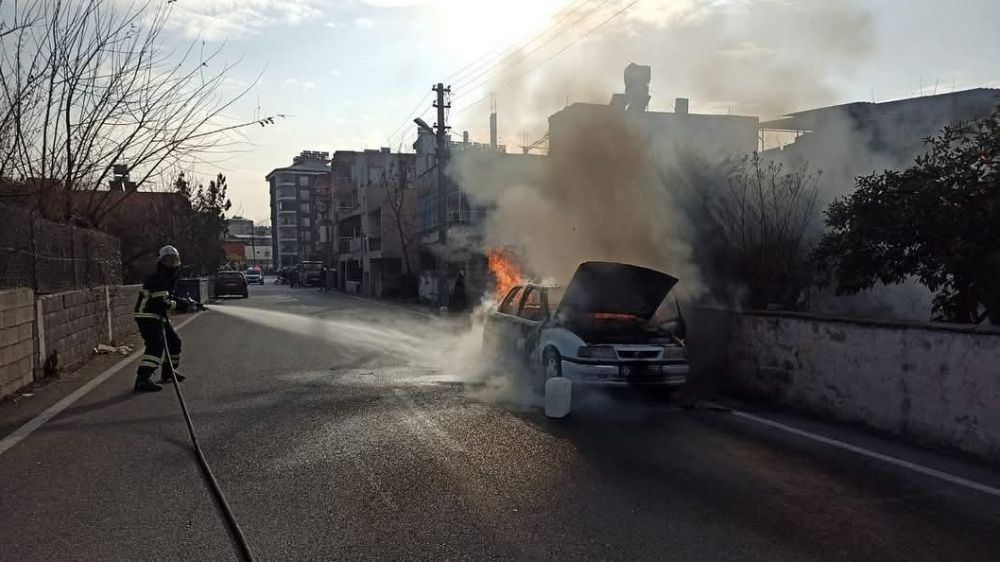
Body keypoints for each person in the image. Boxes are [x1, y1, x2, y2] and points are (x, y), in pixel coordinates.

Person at [132, 245, 204, 392]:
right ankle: (142, 379)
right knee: (155, 346)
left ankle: (168, 372)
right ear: (161, 262)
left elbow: (167, 297)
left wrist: (188, 302)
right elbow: (164, 302)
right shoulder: (158, 278)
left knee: (174, 343)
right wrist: (185, 306)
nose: (172, 264)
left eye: (174, 260)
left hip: (159, 316)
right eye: (168, 260)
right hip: (147, 316)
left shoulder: (167, 278)